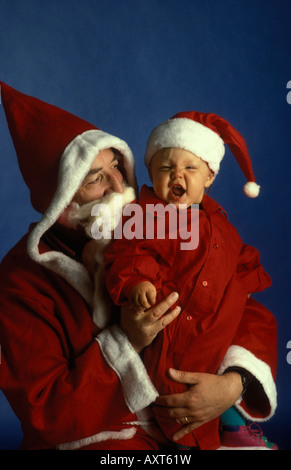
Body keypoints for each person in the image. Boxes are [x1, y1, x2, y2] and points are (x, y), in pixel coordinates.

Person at [0, 83, 276, 451]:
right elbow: (46, 412)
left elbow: (240, 302)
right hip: (100, 438)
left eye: (117, 166)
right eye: (95, 178)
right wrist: (128, 339)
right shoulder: (21, 282)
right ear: (60, 199)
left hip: (193, 420)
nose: (119, 186)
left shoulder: (165, 225)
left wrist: (232, 384)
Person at [104, 111, 278, 449]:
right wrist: (137, 283)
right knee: (178, 390)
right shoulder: (147, 217)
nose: (177, 176)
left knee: (217, 381)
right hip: (173, 332)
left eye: (190, 168)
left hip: (213, 332)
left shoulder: (223, 227)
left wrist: (245, 282)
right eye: (166, 168)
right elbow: (128, 254)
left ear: (209, 177)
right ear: (152, 175)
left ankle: (235, 431)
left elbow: (241, 263)